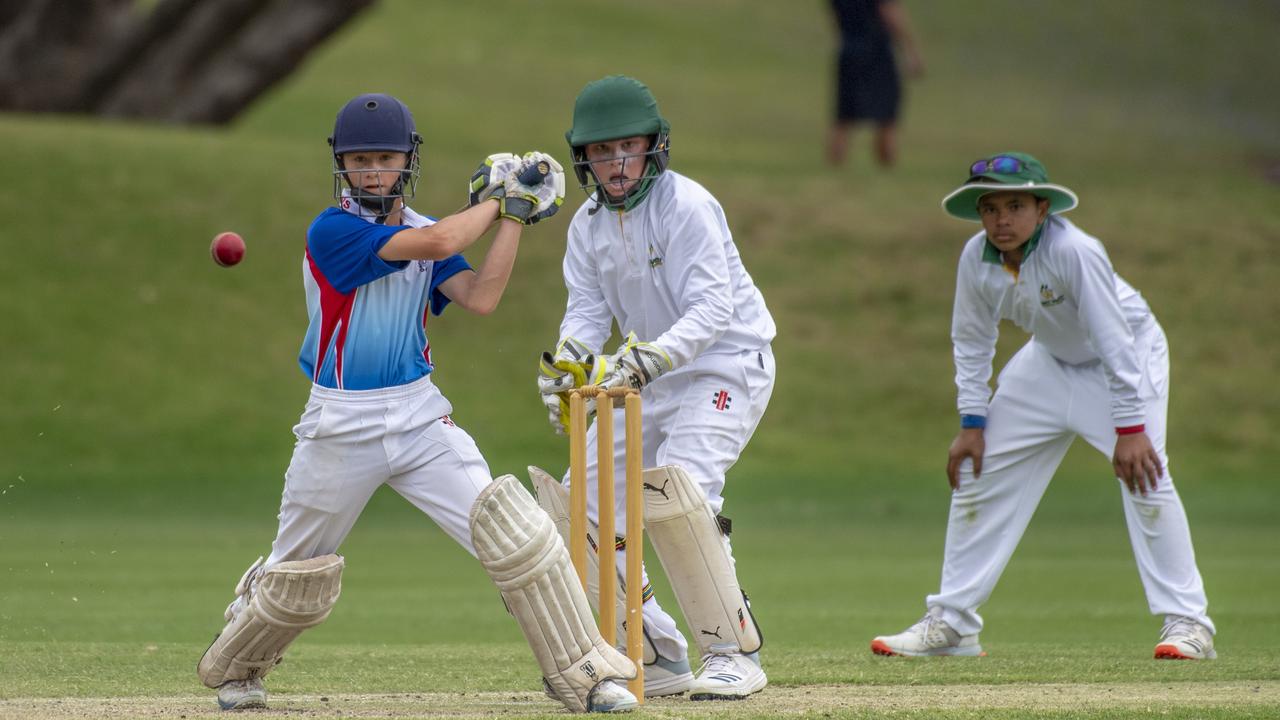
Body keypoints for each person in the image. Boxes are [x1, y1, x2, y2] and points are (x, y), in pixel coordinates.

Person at [196, 93, 643, 714]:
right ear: (342, 166)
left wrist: (513, 216)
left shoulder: (425, 227)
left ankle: (586, 674)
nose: (372, 172)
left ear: (407, 161)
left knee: (515, 535)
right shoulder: (333, 231)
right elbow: (436, 243)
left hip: (417, 416)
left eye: (384, 158)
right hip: (339, 422)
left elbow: (481, 295)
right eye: (360, 161)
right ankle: (238, 666)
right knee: (295, 574)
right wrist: (498, 199)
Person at [870, 152, 1216, 660]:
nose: (1001, 220)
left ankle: (1190, 625)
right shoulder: (976, 258)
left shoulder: (1075, 250)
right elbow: (970, 338)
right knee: (977, 472)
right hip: (1048, 362)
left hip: (1121, 358)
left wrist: (1131, 427)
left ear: (1042, 208)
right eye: (989, 208)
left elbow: (1115, 339)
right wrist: (972, 421)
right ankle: (953, 625)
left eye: (1014, 206)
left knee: (1145, 477)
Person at [531, 75, 777, 701]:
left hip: (724, 363)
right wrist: (568, 368)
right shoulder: (586, 224)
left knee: (679, 492)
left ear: (653, 147)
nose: (615, 164)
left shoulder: (686, 205)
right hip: (647, 371)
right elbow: (587, 314)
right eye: (601, 151)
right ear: (581, 156)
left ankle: (732, 651)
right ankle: (655, 650)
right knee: (578, 503)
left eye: (627, 148)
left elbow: (712, 307)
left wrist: (647, 360)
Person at [826, 0, 924, 167]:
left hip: (849, 48)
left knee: (844, 116)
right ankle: (886, 168)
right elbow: (890, 12)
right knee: (887, 116)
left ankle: (835, 168)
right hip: (877, 50)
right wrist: (911, 50)